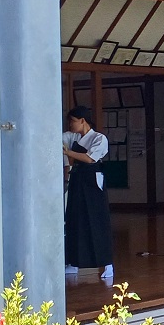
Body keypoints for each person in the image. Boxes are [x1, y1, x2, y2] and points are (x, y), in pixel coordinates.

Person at [62, 106, 114, 279]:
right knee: (74, 220)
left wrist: (68, 152)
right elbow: (56, 138)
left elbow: (90, 158)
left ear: (82, 120)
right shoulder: (73, 137)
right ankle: (73, 262)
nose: (70, 124)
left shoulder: (99, 138)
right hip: (77, 180)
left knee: (97, 221)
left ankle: (107, 264)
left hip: (92, 182)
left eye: (73, 121)